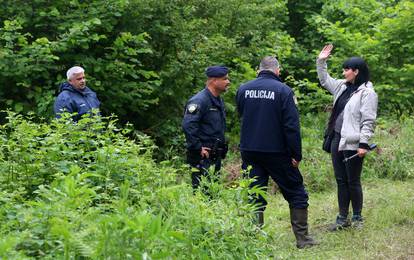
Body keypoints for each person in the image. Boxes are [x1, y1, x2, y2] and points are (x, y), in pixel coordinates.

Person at [236, 56, 317, 249]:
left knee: (255, 193)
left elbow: (242, 116)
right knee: (296, 192)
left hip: (249, 150)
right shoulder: (284, 91)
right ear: (277, 71)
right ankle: (303, 239)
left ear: (258, 70)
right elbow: (291, 127)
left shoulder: (243, 89)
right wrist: (296, 154)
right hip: (277, 152)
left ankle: (253, 240)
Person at [317, 44, 378, 230]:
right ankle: (342, 218)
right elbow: (324, 80)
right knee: (340, 180)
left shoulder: (368, 93)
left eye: (346, 70)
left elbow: (368, 121)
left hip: (353, 143)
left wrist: (363, 144)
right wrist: (321, 61)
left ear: (356, 71)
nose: (343, 73)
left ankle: (357, 218)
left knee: (353, 181)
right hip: (337, 139)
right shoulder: (342, 87)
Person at [182, 66, 230, 191]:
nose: (228, 82)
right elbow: (188, 125)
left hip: (214, 155)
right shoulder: (200, 100)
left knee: (212, 192)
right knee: (201, 192)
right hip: (203, 156)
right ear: (214, 81)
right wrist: (197, 147)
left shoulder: (217, 100)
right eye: (225, 79)